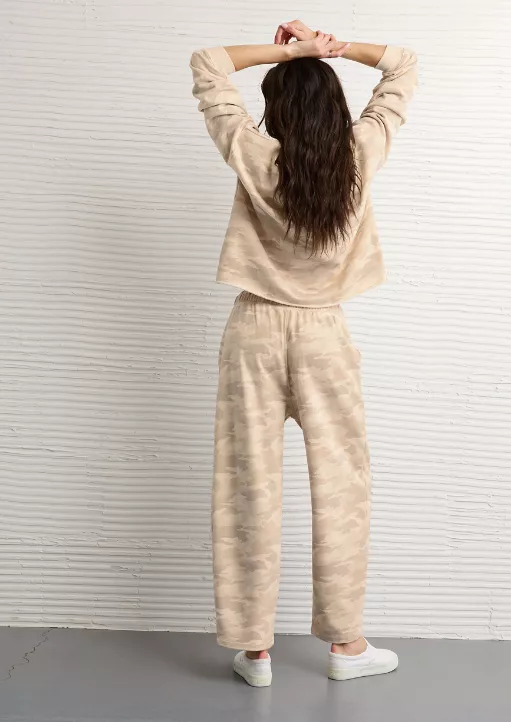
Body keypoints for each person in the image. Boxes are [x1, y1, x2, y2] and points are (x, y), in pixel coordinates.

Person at [190, 19, 418, 687]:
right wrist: (336, 48)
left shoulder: (253, 154)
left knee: (246, 483)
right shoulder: (361, 153)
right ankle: (346, 646)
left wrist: (292, 51)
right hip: (324, 335)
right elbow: (403, 66)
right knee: (342, 485)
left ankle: (255, 651)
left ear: (277, 109)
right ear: (334, 106)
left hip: (254, 331)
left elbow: (207, 62)